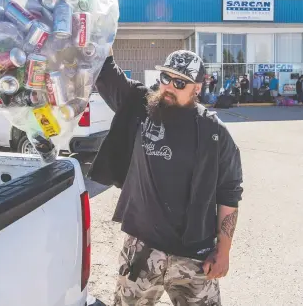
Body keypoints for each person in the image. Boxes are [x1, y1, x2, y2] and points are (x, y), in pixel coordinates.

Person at [89, 50, 243, 306]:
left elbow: (229, 192)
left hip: (194, 257)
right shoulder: (141, 106)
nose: (170, 86)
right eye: (165, 77)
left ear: (197, 87)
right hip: (142, 251)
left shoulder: (215, 133)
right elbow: (105, 71)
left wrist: (224, 250)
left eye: (180, 82)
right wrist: (98, 28)